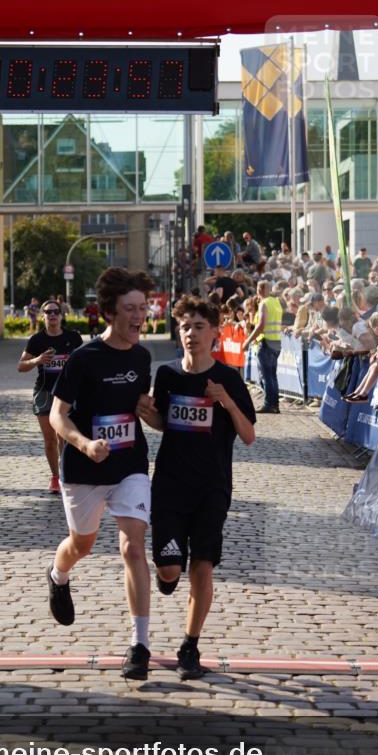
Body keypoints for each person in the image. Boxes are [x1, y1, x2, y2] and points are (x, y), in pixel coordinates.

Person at [137, 296, 255, 679]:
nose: (191, 334)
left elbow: (249, 435)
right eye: (185, 326)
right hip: (171, 484)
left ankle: (190, 645)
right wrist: (148, 413)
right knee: (171, 570)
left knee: (202, 566)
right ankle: (167, 573)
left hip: (212, 486)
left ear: (216, 333)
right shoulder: (167, 375)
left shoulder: (229, 378)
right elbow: (165, 423)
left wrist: (227, 404)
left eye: (199, 327)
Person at [46, 268, 154, 681]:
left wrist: (155, 414)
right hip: (84, 469)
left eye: (143, 308)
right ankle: (58, 575)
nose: (139, 316)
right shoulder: (83, 358)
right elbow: (58, 415)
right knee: (82, 544)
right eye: (130, 309)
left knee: (132, 547)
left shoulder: (143, 357)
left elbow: (144, 412)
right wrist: (85, 444)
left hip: (129, 464)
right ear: (110, 313)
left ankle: (139, 645)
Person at [18, 299, 83, 493]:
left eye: (56, 311)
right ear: (43, 315)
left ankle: (66, 473)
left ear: (62, 315)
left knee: (64, 436)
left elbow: (85, 364)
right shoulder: (37, 340)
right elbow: (21, 366)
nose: (52, 315)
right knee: (50, 439)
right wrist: (38, 360)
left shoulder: (73, 338)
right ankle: (55, 477)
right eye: (48, 312)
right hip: (45, 392)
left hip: (67, 393)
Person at [242, 280, 283, 413]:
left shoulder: (264, 303)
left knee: (267, 376)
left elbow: (261, 326)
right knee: (272, 376)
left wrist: (247, 341)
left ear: (259, 290)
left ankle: (269, 404)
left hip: (265, 342)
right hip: (276, 342)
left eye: (259, 289)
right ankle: (275, 405)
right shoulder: (276, 302)